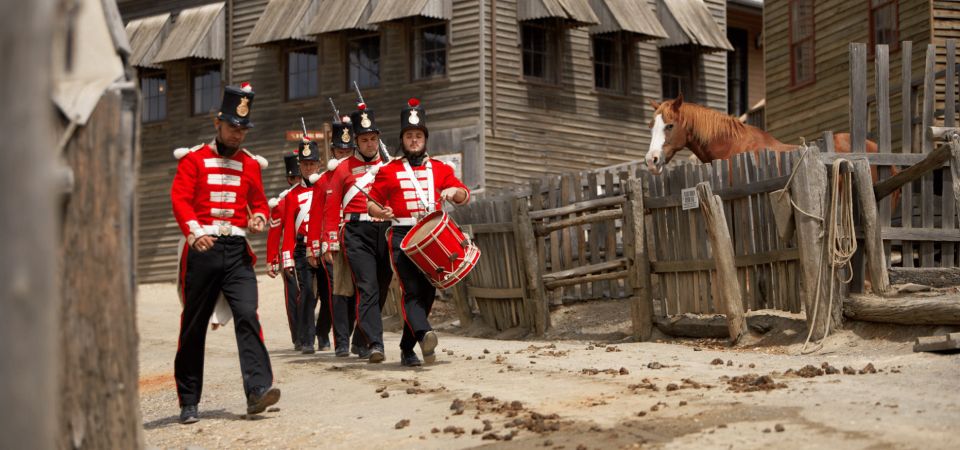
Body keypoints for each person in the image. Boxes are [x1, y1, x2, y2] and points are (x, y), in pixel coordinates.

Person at [170, 82, 280, 424]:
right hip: (202, 249)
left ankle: (258, 390)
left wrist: (259, 216)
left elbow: (258, 202)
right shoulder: (194, 160)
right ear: (218, 123)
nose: (238, 134)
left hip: (236, 250)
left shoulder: (250, 165)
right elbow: (180, 200)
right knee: (193, 325)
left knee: (248, 313)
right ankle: (189, 400)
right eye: (233, 127)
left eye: (243, 129)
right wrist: (194, 232)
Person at [367, 98, 470, 367]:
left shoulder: (441, 169)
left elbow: (464, 194)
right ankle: (425, 334)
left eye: (418, 136)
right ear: (402, 139)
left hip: (432, 236)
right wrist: (380, 213)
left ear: (425, 139)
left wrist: (452, 191)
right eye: (409, 136)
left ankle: (406, 348)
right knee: (411, 290)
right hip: (402, 236)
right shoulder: (388, 171)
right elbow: (371, 203)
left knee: (426, 294)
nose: (414, 140)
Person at [321, 103, 392, 363]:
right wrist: (330, 242)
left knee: (383, 286)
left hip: (383, 230)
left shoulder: (388, 166)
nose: (370, 144)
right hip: (355, 231)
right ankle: (376, 343)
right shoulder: (342, 168)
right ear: (357, 142)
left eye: (374, 139)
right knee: (368, 286)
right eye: (365, 140)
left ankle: (361, 338)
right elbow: (331, 206)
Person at [307, 117, 360, 357]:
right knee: (338, 293)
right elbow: (316, 216)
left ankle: (350, 335)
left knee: (359, 292)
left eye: (348, 150)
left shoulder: (360, 176)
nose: (344, 155)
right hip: (333, 243)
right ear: (333, 150)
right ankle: (340, 342)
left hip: (358, 239)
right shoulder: (323, 181)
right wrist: (314, 247)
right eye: (340, 150)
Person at [280, 136, 331, 354]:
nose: (309, 168)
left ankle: (322, 332)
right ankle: (308, 339)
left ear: (319, 164)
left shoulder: (328, 188)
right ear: (299, 166)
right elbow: (289, 230)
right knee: (308, 293)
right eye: (304, 164)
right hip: (302, 250)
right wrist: (287, 258)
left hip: (325, 248)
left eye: (312, 164)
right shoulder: (291, 196)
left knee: (329, 294)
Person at [266, 152, 302, 350]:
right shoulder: (281, 203)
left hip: (312, 250)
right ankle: (298, 335)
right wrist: (272, 259)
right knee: (293, 296)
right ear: (289, 179)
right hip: (290, 254)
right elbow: (274, 234)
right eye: (295, 177)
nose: (298, 180)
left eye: (300, 176)